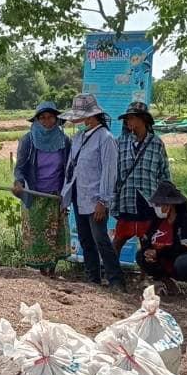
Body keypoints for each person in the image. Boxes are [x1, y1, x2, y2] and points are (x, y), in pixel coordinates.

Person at [61, 93, 124, 290]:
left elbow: (109, 172)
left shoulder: (105, 139)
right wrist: (65, 196)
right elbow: (71, 169)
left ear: (90, 116)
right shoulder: (78, 137)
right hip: (79, 197)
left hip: (96, 199)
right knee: (85, 239)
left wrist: (103, 201)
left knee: (101, 240)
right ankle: (93, 279)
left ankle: (116, 281)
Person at [13, 100, 71, 276]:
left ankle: (51, 273)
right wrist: (18, 183)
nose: (47, 122)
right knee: (39, 238)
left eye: (51, 117)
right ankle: (43, 274)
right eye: (43, 118)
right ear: (37, 121)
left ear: (57, 120)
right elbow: (20, 168)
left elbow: (69, 169)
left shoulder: (64, 141)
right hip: (35, 196)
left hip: (56, 197)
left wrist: (66, 193)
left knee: (55, 237)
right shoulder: (28, 141)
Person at [137, 181, 187, 299]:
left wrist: (159, 253)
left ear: (170, 205)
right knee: (141, 256)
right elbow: (147, 240)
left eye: (159, 204)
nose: (156, 208)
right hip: (168, 262)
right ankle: (169, 284)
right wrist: (147, 251)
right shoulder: (157, 221)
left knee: (184, 260)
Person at [112, 99, 171, 254]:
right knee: (119, 239)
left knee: (148, 242)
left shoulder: (157, 143)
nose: (128, 121)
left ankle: (146, 275)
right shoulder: (120, 142)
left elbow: (164, 173)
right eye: (127, 119)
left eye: (132, 117)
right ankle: (111, 273)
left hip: (148, 200)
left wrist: (167, 199)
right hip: (127, 198)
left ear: (143, 119)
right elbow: (113, 173)